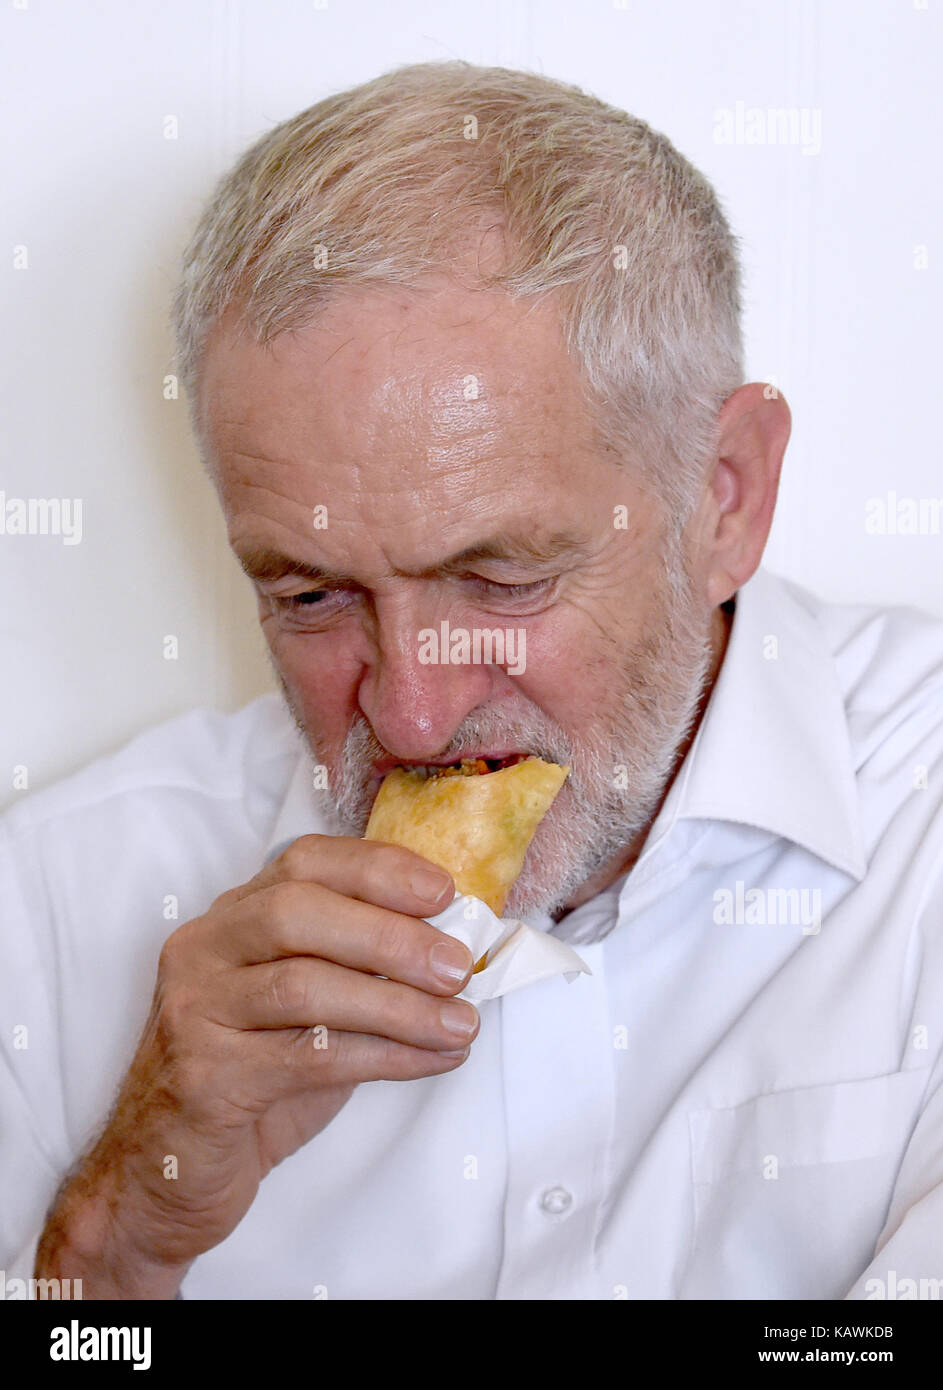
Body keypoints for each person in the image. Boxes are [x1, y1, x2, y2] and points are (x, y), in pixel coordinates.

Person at [3, 60, 942, 1301]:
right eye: (310, 596)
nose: (409, 715)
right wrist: (118, 1240)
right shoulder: (60, 907)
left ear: (724, 495)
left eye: (500, 580)